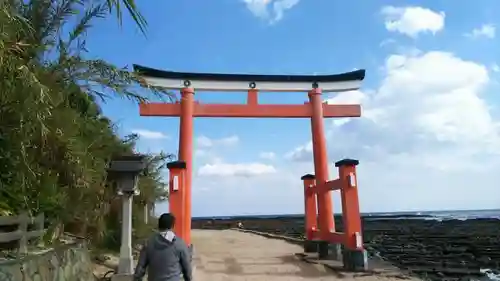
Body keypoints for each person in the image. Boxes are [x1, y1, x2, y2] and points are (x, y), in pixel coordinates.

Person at [134, 213, 192, 281]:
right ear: (173, 226)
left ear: (159, 226)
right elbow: (187, 269)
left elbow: (140, 268)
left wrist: (137, 278)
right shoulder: (179, 244)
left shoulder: (149, 243)